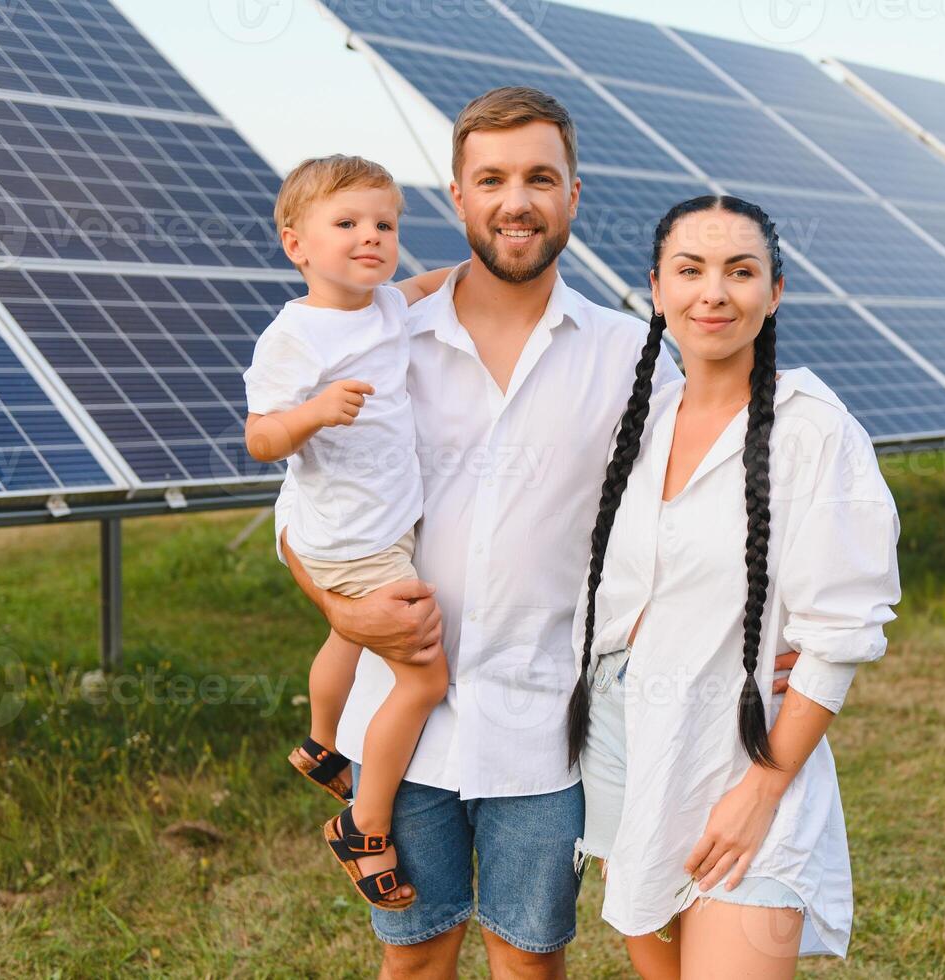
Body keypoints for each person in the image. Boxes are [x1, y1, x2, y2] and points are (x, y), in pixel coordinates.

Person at [272, 88, 808, 979]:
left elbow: (690, 513)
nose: (514, 200)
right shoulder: (383, 339)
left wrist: (771, 629)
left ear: (572, 194)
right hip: (400, 726)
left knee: (529, 962)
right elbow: (302, 510)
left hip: (544, 728)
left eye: (538, 178)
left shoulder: (625, 357)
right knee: (415, 959)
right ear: (457, 196)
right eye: (491, 178)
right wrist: (340, 609)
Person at [568, 195, 903, 978]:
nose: (712, 293)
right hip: (620, 738)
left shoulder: (814, 430)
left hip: (739, 745)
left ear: (774, 292)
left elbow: (841, 630)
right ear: (656, 289)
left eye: (739, 271)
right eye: (689, 271)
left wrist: (760, 790)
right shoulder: (639, 425)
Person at [242, 154, 451, 909]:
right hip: (353, 536)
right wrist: (313, 412)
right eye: (347, 223)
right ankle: (362, 827)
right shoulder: (295, 337)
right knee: (424, 677)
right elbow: (261, 438)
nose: (371, 236)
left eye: (385, 224)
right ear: (297, 245)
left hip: (379, 525)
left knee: (347, 638)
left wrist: (479, 268)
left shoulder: (387, 307)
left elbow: (429, 287)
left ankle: (321, 742)